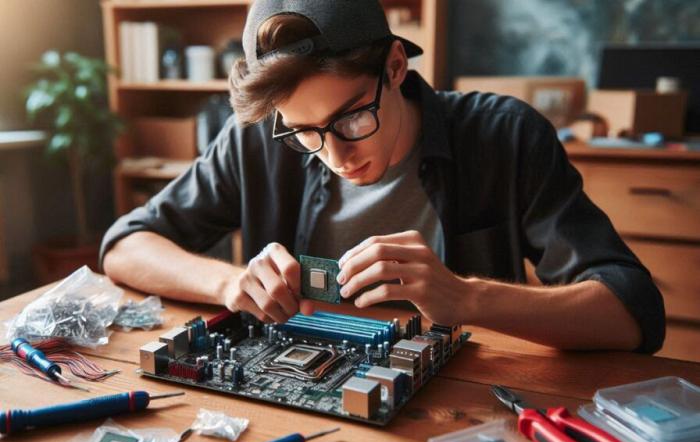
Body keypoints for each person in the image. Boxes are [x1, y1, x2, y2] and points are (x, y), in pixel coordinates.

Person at [101, 0, 664, 353]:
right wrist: (228, 285)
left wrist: (464, 297)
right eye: (304, 131)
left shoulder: (504, 136)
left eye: (351, 118)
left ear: (395, 67)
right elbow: (124, 247)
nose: (335, 156)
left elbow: (633, 310)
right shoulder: (259, 143)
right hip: (306, 385)